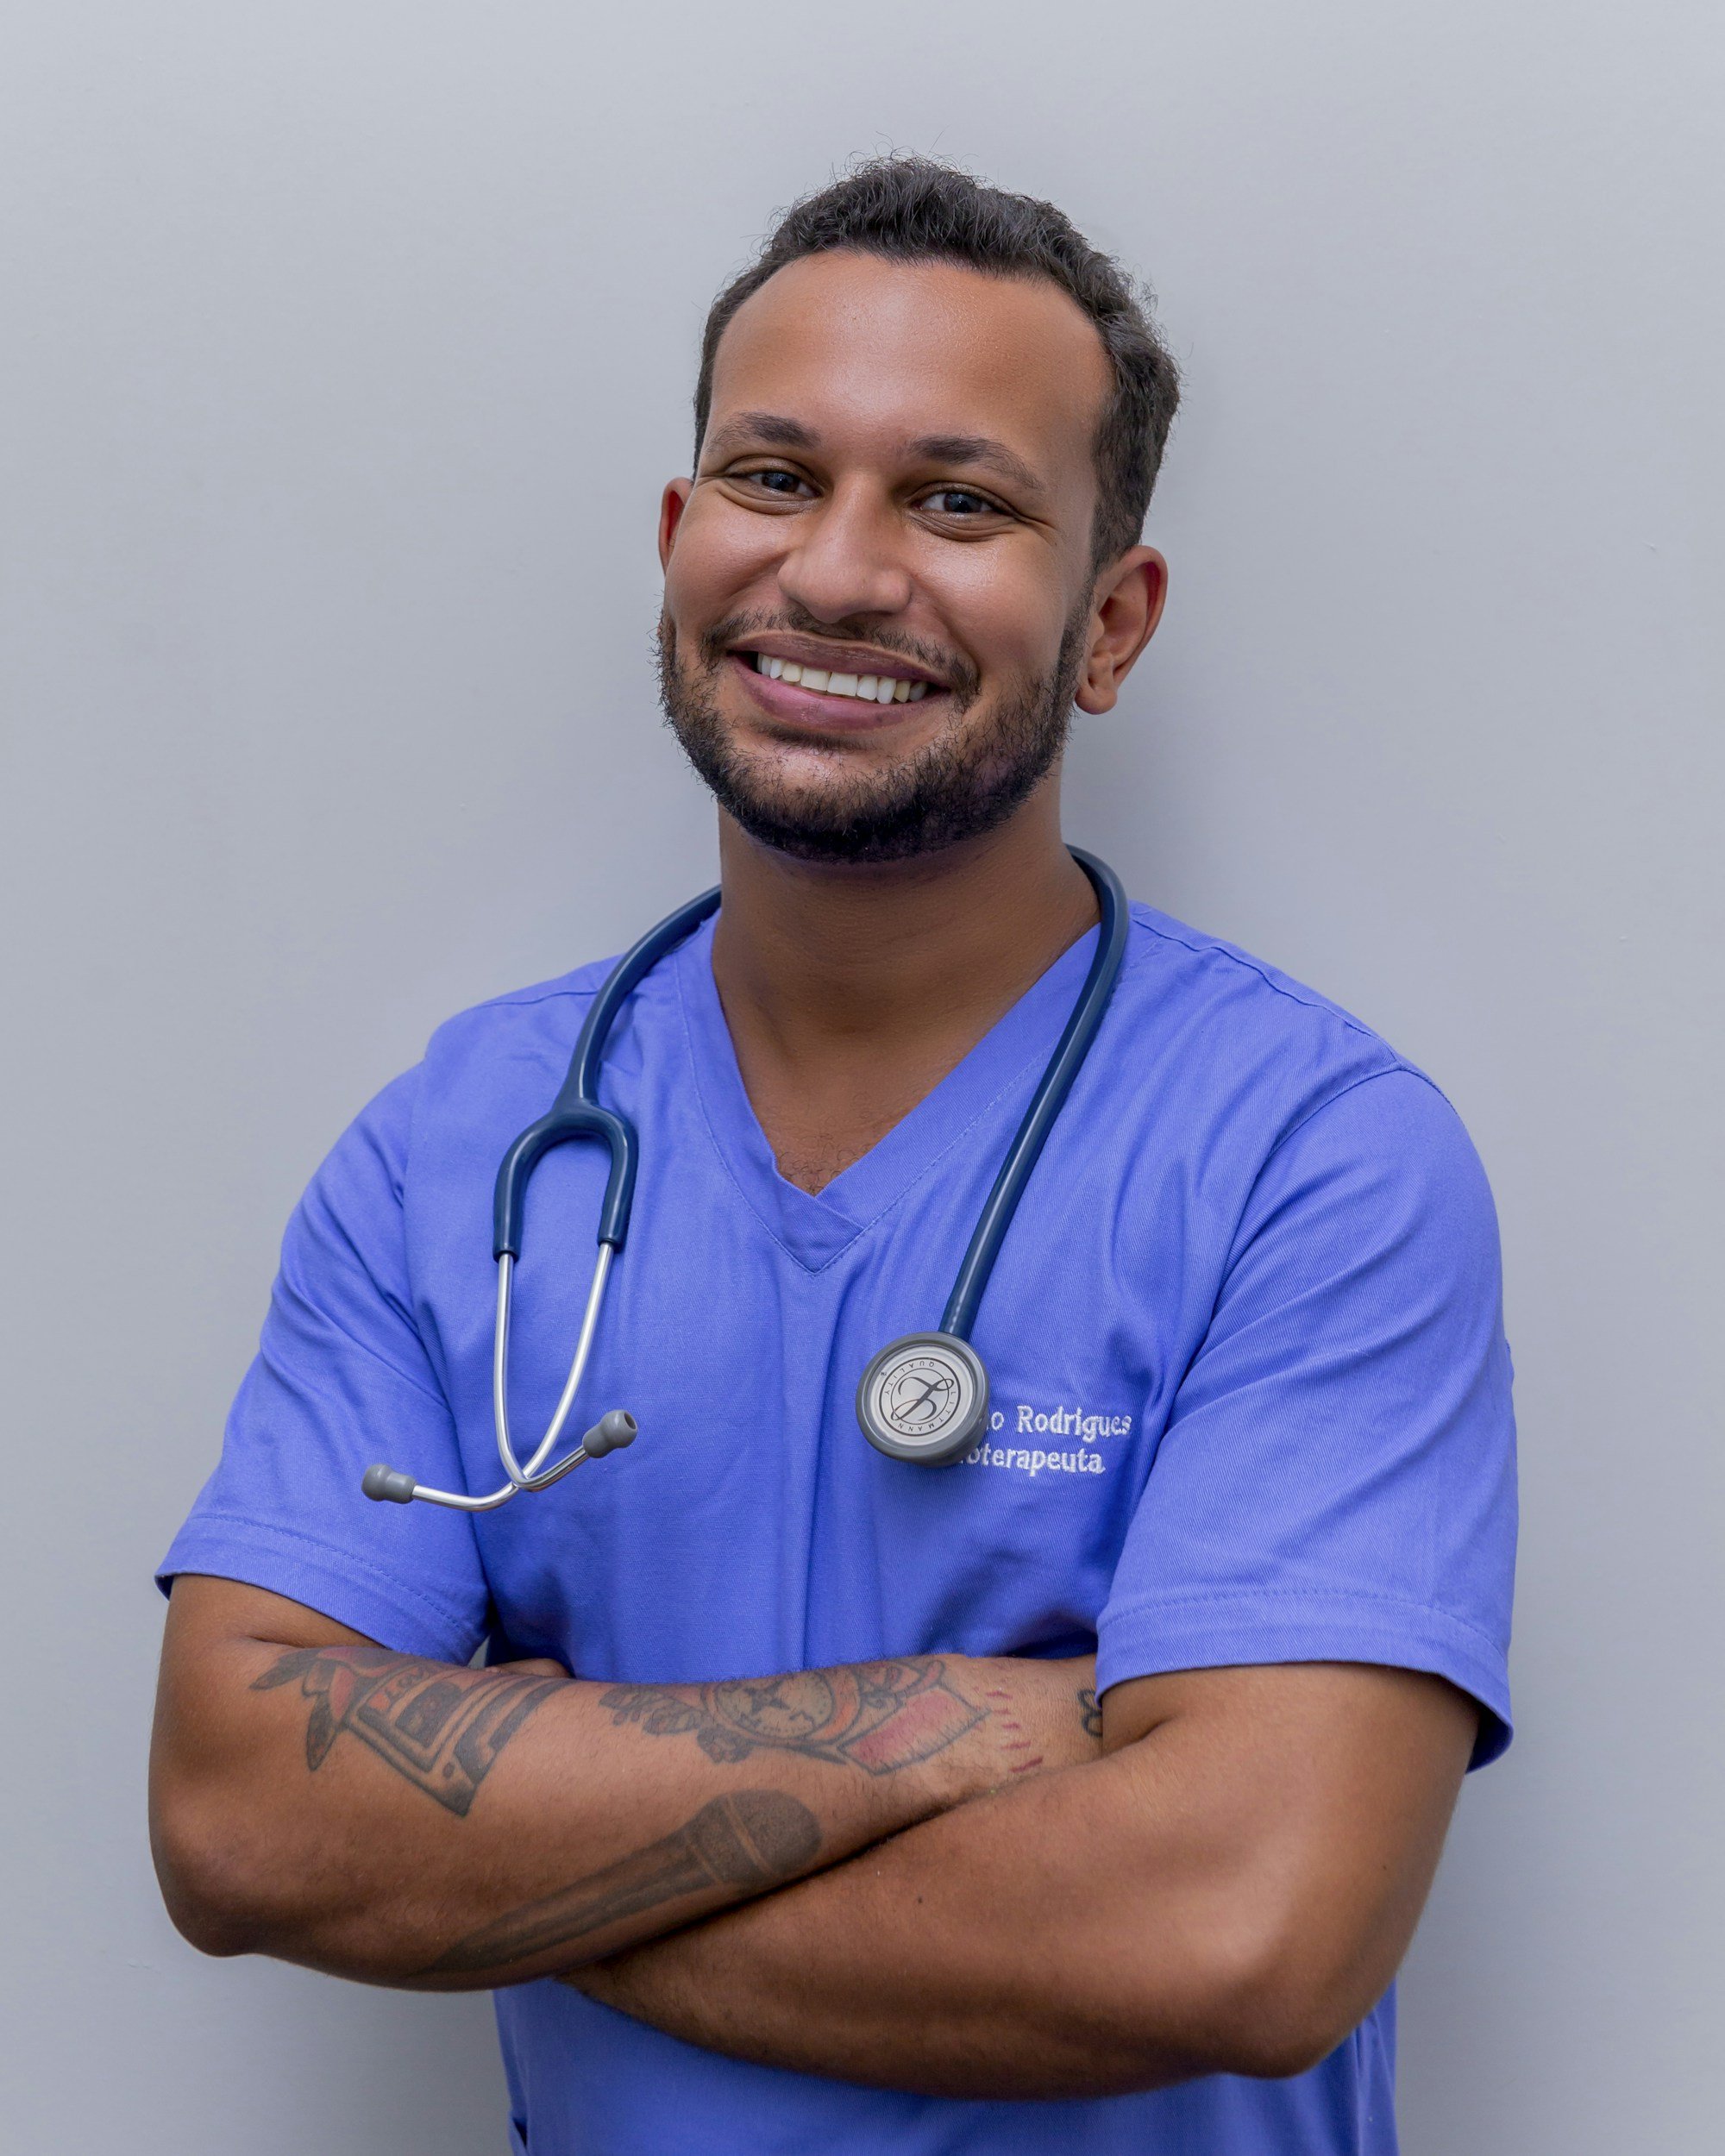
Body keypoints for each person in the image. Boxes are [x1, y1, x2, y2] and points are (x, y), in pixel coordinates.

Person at [149, 156, 1516, 2155]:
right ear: (678, 533)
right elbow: (236, 1815)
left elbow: (1236, 1928)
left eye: (958, 500)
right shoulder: (461, 1151)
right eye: (774, 474)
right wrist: (963, 1722)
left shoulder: (1310, 1160)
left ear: (1110, 622)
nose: (841, 569)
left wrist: (509, 1873)